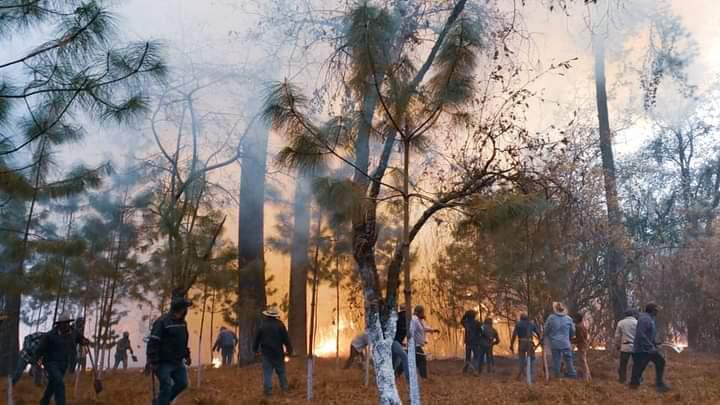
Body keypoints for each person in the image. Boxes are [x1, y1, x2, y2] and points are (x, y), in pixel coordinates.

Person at [36, 311, 90, 405]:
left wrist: (85, 341)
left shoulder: (73, 332)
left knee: (53, 384)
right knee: (60, 383)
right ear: (59, 324)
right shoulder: (50, 335)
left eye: (67, 323)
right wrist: (37, 362)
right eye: (63, 323)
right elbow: (40, 349)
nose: (66, 325)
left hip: (63, 364)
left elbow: (80, 339)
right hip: (50, 363)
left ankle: (44, 401)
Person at [147, 293, 192, 405]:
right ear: (179, 308)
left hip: (177, 361)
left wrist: (187, 355)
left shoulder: (182, 323)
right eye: (184, 307)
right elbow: (153, 342)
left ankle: (161, 402)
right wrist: (154, 361)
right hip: (163, 362)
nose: (186, 310)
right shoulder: (162, 322)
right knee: (166, 386)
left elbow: (183, 341)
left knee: (183, 383)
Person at [629, 303, 670, 392]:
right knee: (639, 367)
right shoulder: (644, 319)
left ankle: (659, 384)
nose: (658, 312)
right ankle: (633, 386)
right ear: (653, 310)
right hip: (642, 349)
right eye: (657, 310)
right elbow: (641, 334)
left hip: (647, 349)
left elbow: (648, 334)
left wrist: (656, 343)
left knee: (660, 362)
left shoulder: (650, 319)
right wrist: (650, 345)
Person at [253, 306, 293, 396]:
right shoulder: (280, 325)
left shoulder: (262, 325)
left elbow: (256, 338)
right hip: (278, 353)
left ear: (267, 315)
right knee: (281, 372)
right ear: (275, 316)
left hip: (266, 354)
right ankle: (285, 389)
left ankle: (268, 392)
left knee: (267, 373)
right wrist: (289, 351)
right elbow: (286, 339)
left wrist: (255, 350)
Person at [543, 302, 577, 379]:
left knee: (556, 360)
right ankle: (572, 374)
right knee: (568, 360)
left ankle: (557, 377)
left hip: (555, 343)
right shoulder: (568, 318)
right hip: (565, 343)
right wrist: (569, 338)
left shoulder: (551, 318)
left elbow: (546, 329)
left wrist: (545, 336)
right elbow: (573, 331)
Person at [410, 305, 439, 379]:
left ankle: (397, 373)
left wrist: (433, 330)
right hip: (414, 345)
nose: (423, 313)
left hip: (417, 345)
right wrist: (411, 342)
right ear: (419, 312)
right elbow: (411, 331)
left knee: (412, 361)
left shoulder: (419, 320)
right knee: (422, 360)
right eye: (422, 312)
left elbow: (424, 328)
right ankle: (424, 377)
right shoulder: (414, 319)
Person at [510, 313, 541, 380]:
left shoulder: (518, 324)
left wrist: (511, 345)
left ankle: (521, 375)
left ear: (520, 318)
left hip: (521, 343)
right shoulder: (531, 324)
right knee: (532, 359)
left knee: (522, 359)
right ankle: (530, 375)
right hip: (529, 343)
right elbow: (538, 333)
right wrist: (540, 340)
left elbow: (514, 336)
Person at [615, 309, 638, 384]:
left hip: (625, 346)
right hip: (635, 346)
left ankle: (622, 379)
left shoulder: (621, 323)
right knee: (636, 364)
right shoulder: (637, 322)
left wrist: (617, 345)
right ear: (633, 315)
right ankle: (635, 380)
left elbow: (617, 336)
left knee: (623, 364)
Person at [571, 312, 591, 380]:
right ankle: (588, 376)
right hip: (584, 345)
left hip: (582, 345)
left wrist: (572, 340)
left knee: (582, 361)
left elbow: (581, 338)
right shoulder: (582, 325)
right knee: (583, 360)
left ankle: (586, 378)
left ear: (577, 319)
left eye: (574, 318)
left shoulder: (578, 326)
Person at [392, 305, 409, 381]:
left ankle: (392, 377)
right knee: (404, 357)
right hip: (394, 342)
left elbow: (399, 332)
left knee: (395, 361)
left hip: (396, 342)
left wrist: (402, 343)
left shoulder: (400, 317)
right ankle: (409, 378)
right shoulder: (402, 317)